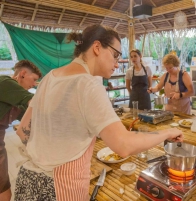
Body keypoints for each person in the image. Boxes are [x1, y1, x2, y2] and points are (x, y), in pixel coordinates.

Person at [15, 24, 183, 200]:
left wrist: (49, 154)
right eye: (115, 54)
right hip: (58, 188)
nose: (117, 63)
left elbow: (23, 130)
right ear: (96, 47)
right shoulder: (88, 84)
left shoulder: (49, 77)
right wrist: (167, 132)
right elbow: (123, 145)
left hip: (27, 181)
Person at [0, 60, 41, 201]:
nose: (34, 84)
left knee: (5, 190)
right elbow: (36, 102)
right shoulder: (4, 82)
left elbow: (34, 118)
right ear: (22, 74)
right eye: (34, 79)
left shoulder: (18, 100)